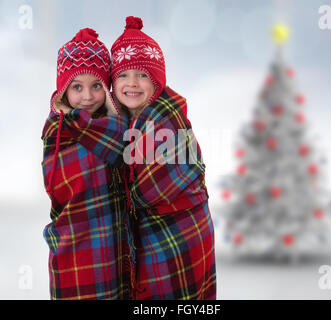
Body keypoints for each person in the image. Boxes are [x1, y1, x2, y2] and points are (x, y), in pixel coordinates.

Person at [110, 16, 217, 299]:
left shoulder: (166, 118)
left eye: (142, 75)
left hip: (181, 229)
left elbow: (149, 188)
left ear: (157, 81)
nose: (132, 83)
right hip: (148, 230)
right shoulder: (120, 122)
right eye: (122, 75)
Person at [41, 28, 133, 299]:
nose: (87, 97)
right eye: (77, 87)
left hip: (112, 243)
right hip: (74, 243)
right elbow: (57, 184)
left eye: (96, 86)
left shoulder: (119, 127)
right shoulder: (57, 131)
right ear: (63, 90)